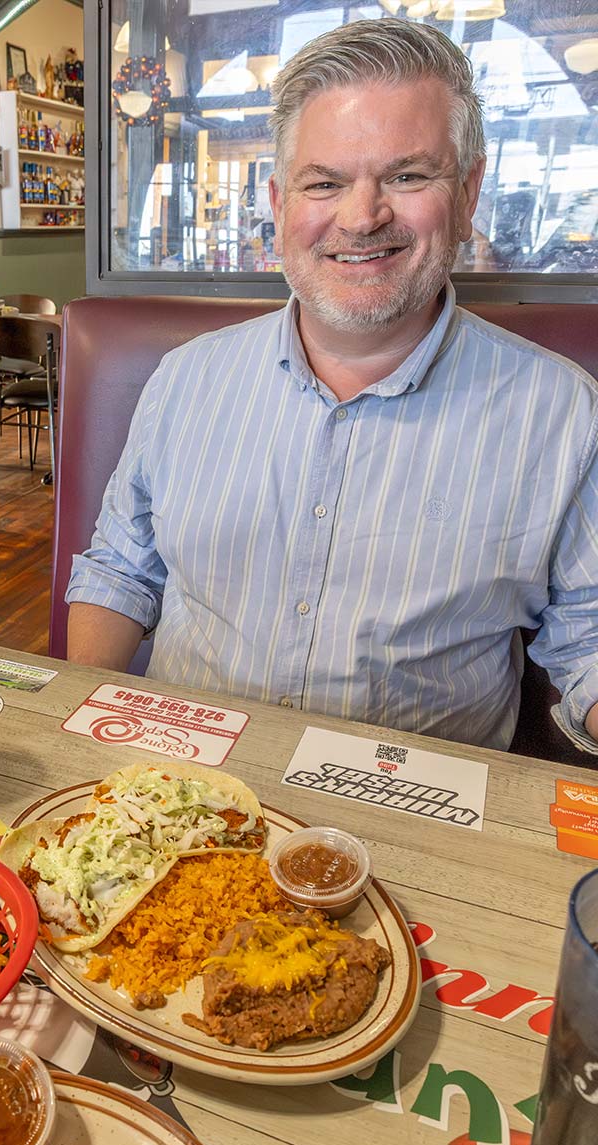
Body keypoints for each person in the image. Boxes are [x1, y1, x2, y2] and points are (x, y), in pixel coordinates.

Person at [66, 17, 598, 754]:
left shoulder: (563, 413)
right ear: (282, 205)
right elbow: (121, 570)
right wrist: (81, 744)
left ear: (469, 192)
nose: (361, 216)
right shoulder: (186, 379)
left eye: (408, 176)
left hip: (413, 817)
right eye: (325, 183)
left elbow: (590, 639)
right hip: (181, 788)